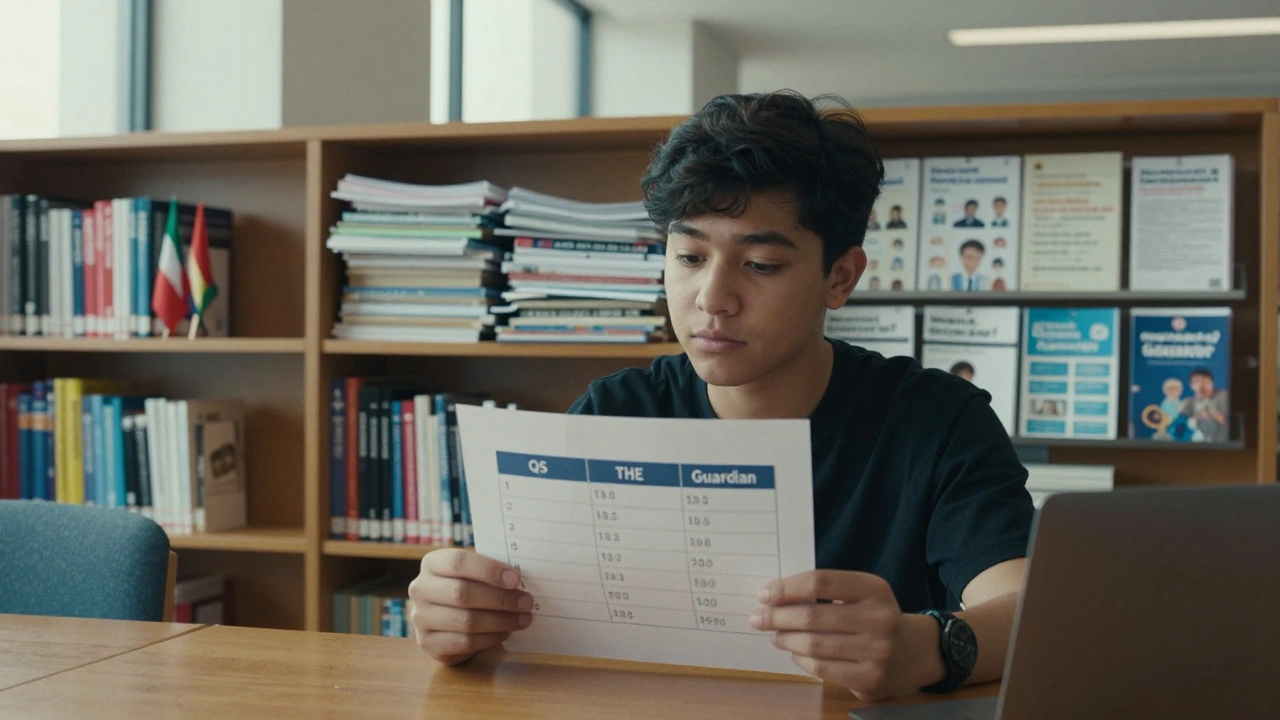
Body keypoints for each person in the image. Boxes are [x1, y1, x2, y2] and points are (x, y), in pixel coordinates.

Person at [408, 91, 1032, 703]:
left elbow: (1028, 608)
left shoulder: (939, 420)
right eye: (689, 256)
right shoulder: (619, 413)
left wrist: (923, 648)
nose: (712, 297)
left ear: (840, 277)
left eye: (760, 264)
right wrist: (458, 615)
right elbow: (532, 622)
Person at [1181, 368, 1229, 443]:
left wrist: (1209, 415)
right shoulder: (1188, 402)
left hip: (1222, 444)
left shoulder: (1223, 396)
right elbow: (1179, 425)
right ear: (1191, 385)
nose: (1201, 385)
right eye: (1197, 382)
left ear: (1212, 383)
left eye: (1206, 382)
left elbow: (1229, 421)